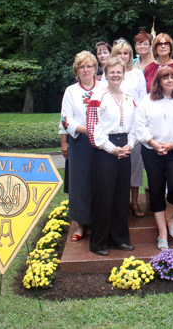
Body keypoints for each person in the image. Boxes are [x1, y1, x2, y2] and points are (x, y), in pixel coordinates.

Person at [134, 66, 173, 250]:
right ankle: (162, 232)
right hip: (152, 151)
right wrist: (152, 142)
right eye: (165, 78)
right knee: (156, 189)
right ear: (158, 82)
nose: (170, 80)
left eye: (172, 77)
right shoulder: (147, 101)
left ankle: (168, 218)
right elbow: (139, 124)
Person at [86, 58, 137, 256]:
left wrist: (129, 145)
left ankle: (120, 239)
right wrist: (112, 149)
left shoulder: (128, 97)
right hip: (104, 150)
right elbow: (92, 129)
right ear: (105, 74)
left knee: (121, 196)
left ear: (124, 74)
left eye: (119, 72)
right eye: (112, 72)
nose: (116, 75)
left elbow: (134, 125)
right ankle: (98, 242)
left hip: (125, 147)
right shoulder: (98, 95)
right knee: (103, 197)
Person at [59, 51, 99, 241]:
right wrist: (66, 139)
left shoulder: (104, 88)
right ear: (76, 70)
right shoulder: (70, 91)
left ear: (95, 69)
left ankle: (100, 220)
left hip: (101, 141)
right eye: (82, 66)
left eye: (89, 66)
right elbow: (65, 119)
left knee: (100, 181)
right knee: (80, 182)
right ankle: (82, 223)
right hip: (79, 141)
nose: (85, 69)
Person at [111, 40, 147, 218]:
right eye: (119, 53)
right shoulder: (110, 75)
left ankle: (134, 202)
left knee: (135, 167)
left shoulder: (138, 74)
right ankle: (120, 203)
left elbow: (143, 99)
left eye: (126, 53)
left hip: (134, 126)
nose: (123, 56)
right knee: (117, 167)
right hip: (115, 129)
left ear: (130, 55)